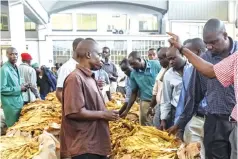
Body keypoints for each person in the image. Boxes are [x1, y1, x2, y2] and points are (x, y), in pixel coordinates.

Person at [167, 18, 238, 159]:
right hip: (215, 122)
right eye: (206, 43)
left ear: (225, 35)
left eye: (213, 42)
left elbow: (211, 71)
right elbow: (194, 95)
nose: (210, 47)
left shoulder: (235, 57)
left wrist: (182, 48)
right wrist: (181, 122)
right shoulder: (203, 61)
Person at [60, 39, 119, 159]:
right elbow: (74, 112)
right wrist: (103, 114)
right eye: (98, 54)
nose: (101, 59)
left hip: (94, 144)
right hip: (85, 147)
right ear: (88, 55)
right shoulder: (75, 78)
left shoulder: (88, 77)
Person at [167, 38, 207, 159]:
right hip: (196, 118)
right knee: (194, 153)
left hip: (216, 120)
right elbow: (185, 100)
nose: (187, 58)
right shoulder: (189, 72)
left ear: (198, 52)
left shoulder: (217, 68)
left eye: (188, 54)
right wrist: (179, 124)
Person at [119, 51, 161, 126]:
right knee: (145, 125)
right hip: (146, 101)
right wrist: (126, 110)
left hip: (159, 101)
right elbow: (134, 92)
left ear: (140, 59)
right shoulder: (133, 74)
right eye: (130, 64)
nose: (131, 66)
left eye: (133, 63)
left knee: (159, 125)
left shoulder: (155, 65)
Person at [159, 47, 187, 130]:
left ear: (182, 55)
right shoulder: (168, 75)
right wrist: (163, 119)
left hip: (192, 111)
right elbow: (166, 98)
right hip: (176, 111)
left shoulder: (193, 68)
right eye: (169, 59)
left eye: (173, 58)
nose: (171, 62)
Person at [0, 47, 28, 127]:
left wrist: (23, 86)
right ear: (7, 55)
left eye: (16, 54)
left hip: (18, 102)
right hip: (11, 106)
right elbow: (2, 89)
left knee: (19, 129)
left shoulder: (16, 67)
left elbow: (15, 84)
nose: (14, 56)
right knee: (13, 130)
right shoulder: (4, 69)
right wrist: (19, 88)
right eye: (11, 54)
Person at [56, 38, 84, 102]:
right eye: (83, 48)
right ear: (75, 48)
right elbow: (59, 92)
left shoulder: (83, 65)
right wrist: (70, 108)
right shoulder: (67, 68)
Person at [147, 47, 170, 128]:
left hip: (168, 109)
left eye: (160, 59)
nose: (159, 61)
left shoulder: (173, 73)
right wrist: (151, 106)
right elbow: (155, 90)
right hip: (159, 106)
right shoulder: (162, 69)